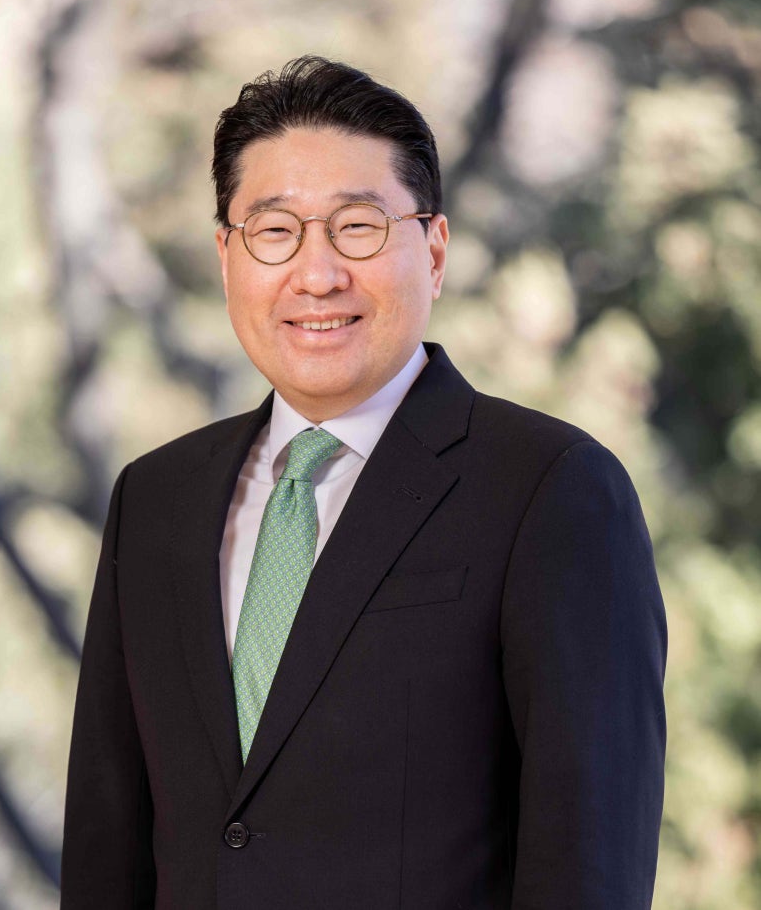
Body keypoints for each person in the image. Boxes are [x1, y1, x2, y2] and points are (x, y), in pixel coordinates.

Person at [61, 56, 667, 909]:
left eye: (358, 226)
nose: (317, 275)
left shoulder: (554, 491)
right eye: (275, 231)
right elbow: (106, 851)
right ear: (227, 257)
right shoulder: (155, 500)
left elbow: (588, 868)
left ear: (435, 250)